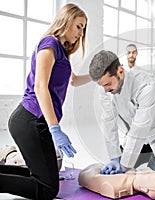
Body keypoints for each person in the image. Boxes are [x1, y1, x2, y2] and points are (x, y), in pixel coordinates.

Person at [0, 4, 90, 199]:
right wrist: (55, 129)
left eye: (84, 28)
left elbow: (73, 81)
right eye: (79, 26)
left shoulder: (62, 52)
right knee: (47, 189)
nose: (81, 33)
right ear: (67, 20)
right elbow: (40, 87)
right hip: (31, 119)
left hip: (34, 121)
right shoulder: (49, 44)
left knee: (42, 177)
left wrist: (96, 76)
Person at [89, 50, 155, 176]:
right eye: (102, 85)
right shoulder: (105, 88)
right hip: (137, 137)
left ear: (120, 71)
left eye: (108, 84)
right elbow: (108, 121)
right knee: (116, 171)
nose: (105, 90)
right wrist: (115, 157)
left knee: (152, 180)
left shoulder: (147, 86)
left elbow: (140, 127)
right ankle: (139, 155)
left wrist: (125, 165)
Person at [78, 163, 155, 199]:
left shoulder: (116, 186)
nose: (147, 171)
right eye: (152, 172)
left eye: (149, 176)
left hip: (89, 171)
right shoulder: (134, 173)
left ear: (145, 189)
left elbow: (87, 177)